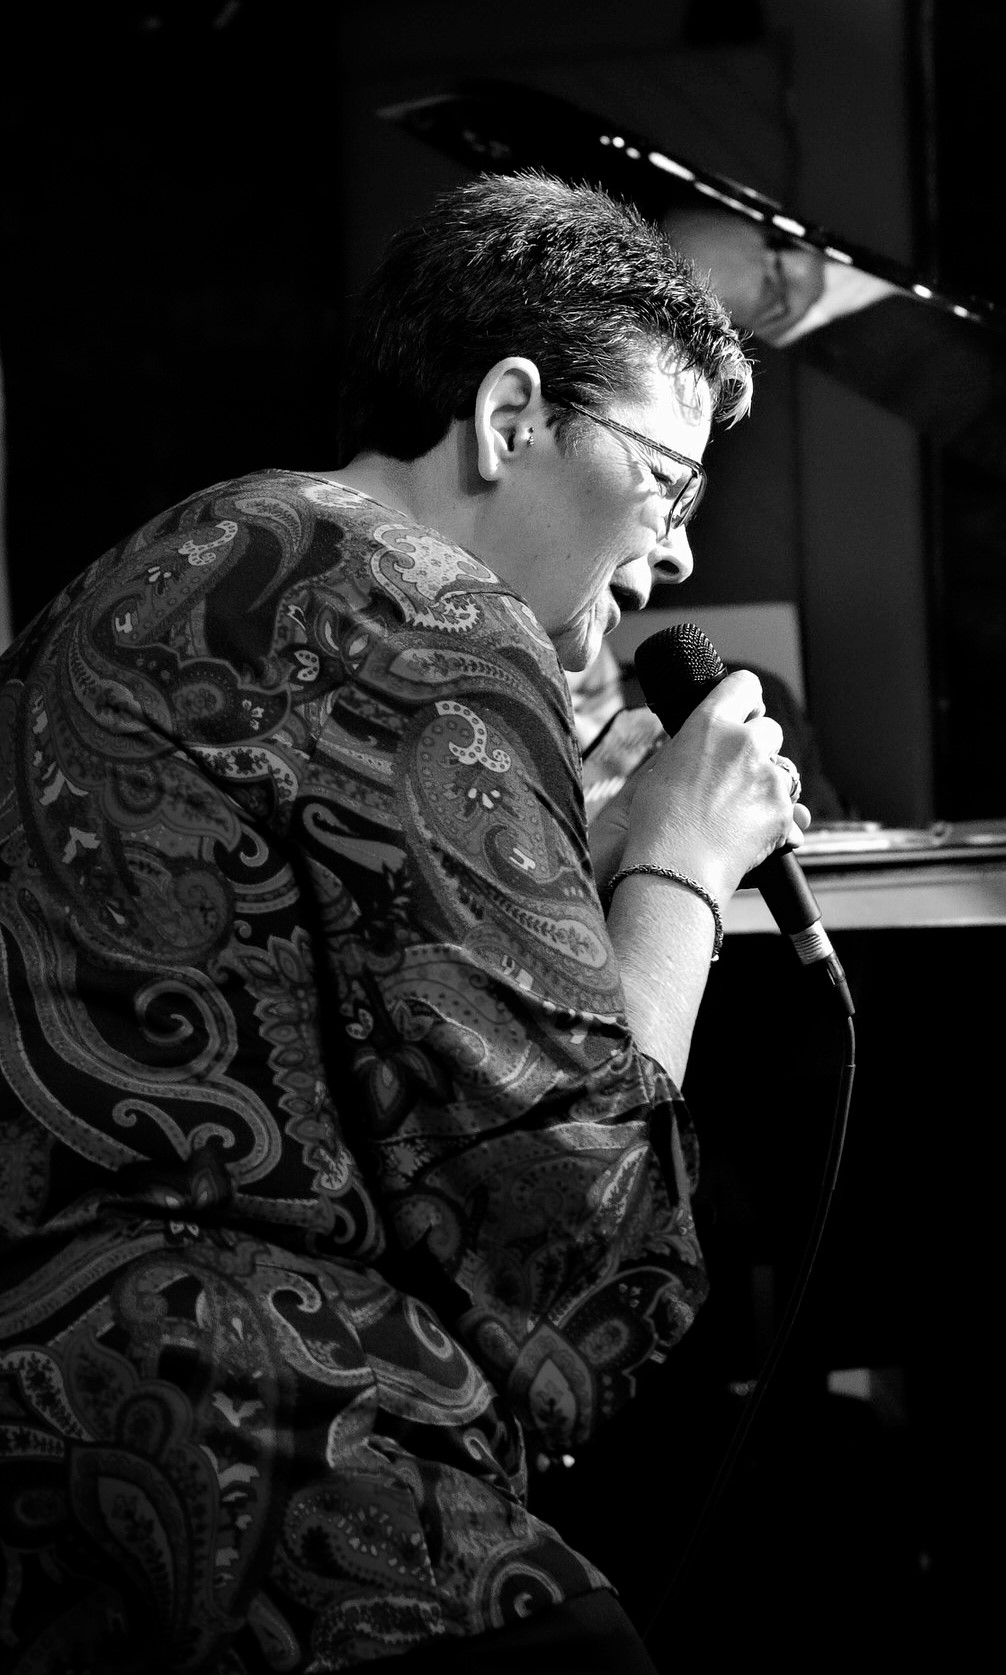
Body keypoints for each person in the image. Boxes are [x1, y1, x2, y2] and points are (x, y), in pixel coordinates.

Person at [0, 172, 810, 1674]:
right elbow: (575, 1208)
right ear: (510, 418)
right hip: (237, 1420)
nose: (678, 554)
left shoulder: (215, 549)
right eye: (669, 483)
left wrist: (585, 849)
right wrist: (684, 864)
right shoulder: (432, 614)